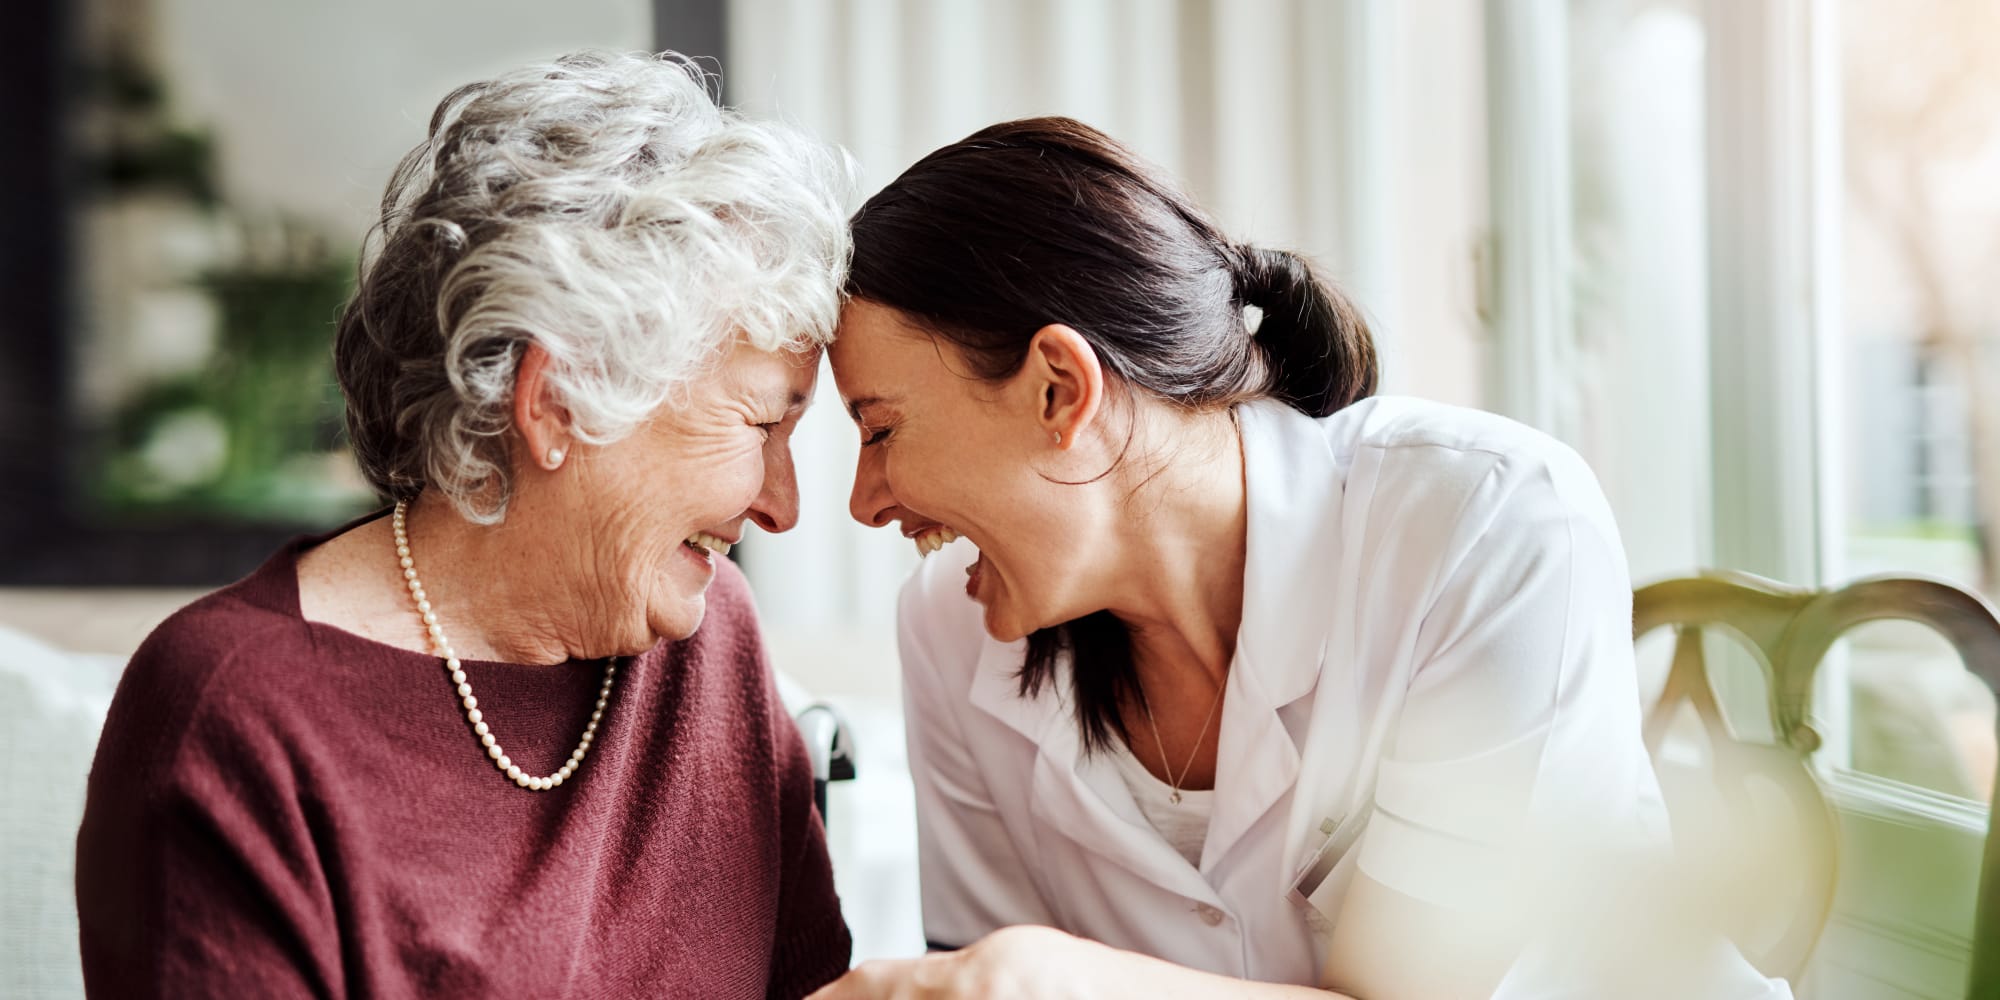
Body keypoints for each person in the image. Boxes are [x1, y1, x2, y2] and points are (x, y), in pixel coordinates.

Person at [811, 117, 1789, 998]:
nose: (864, 501)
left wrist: (1042, 977)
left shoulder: (1487, 525)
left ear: (1060, 389)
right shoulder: (947, 627)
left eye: (880, 429)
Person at [76, 51, 854, 999]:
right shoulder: (233, 711)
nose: (783, 504)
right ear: (559, 400)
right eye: (762, 422)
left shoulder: (709, 642)